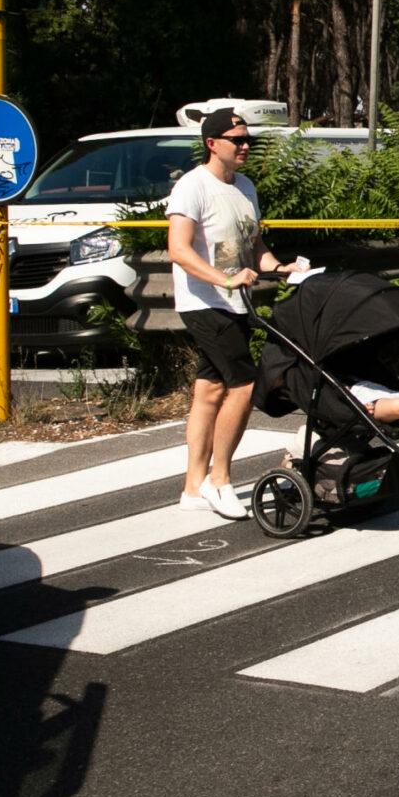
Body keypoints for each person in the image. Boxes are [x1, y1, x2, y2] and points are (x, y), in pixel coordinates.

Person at [169, 108, 285, 519]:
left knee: (209, 390)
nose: (245, 146)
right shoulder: (191, 187)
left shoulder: (245, 187)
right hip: (204, 302)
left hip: (235, 301)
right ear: (212, 143)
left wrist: (280, 267)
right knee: (244, 385)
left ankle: (192, 488)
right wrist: (224, 279)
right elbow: (178, 250)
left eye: (247, 138)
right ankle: (220, 480)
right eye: (237, 139)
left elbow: (255, 246)